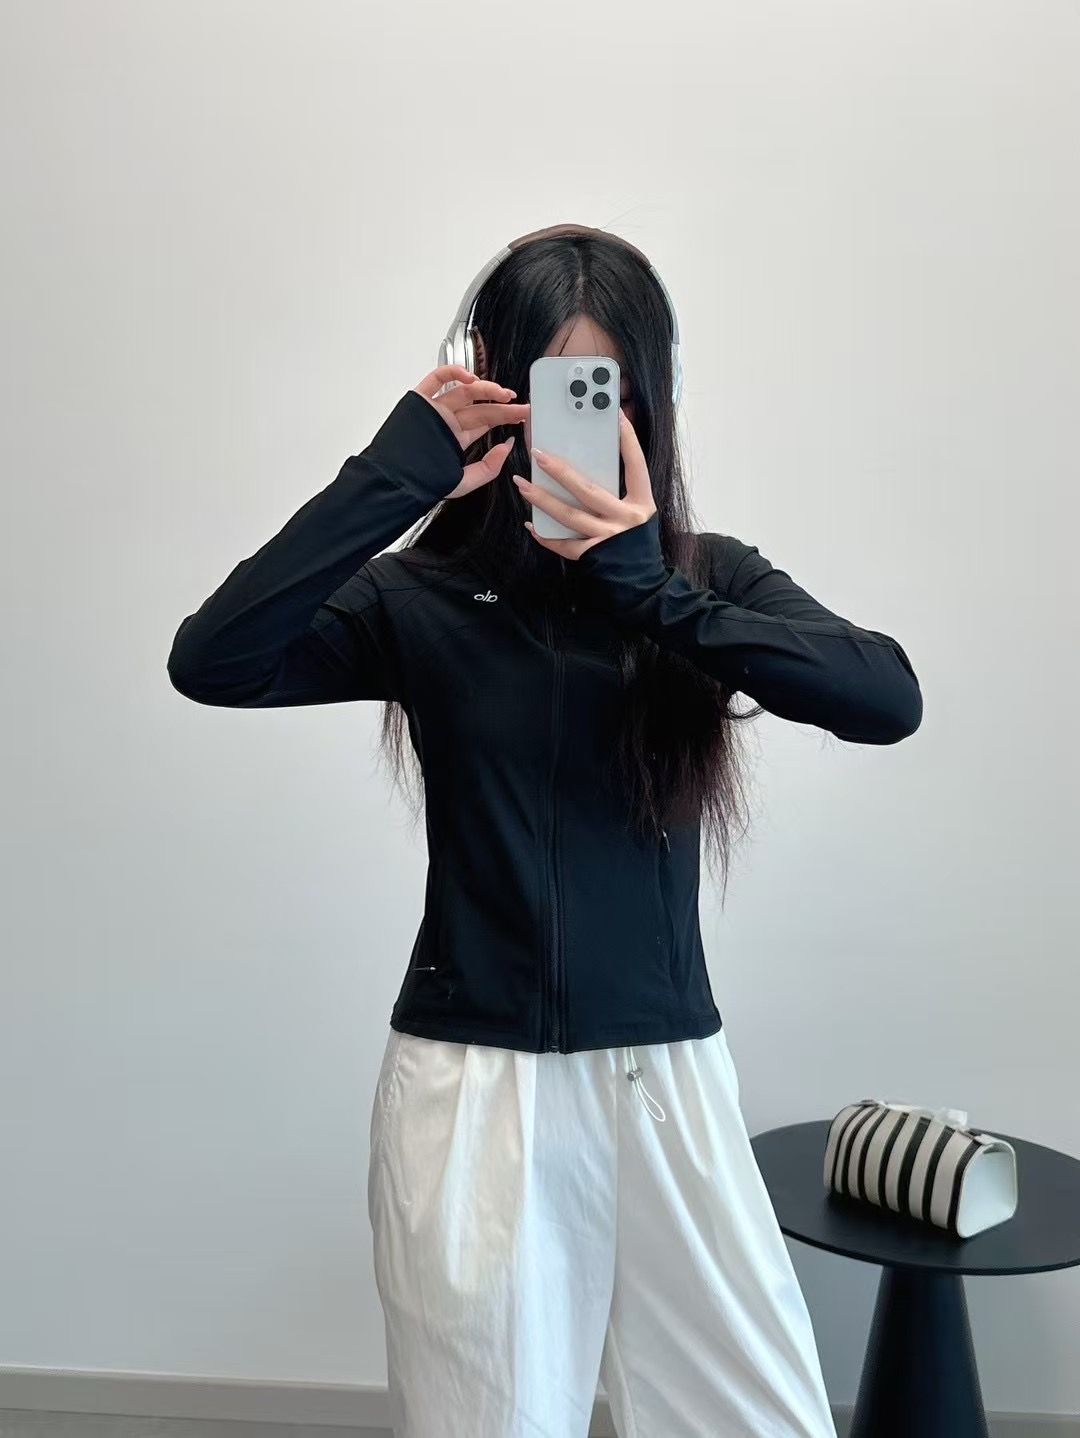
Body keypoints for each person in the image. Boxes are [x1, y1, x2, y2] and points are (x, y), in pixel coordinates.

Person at [167, 224, 922, 1438]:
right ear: (492, 388)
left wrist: (647, 589)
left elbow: (886, 697)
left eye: (601, 389)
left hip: (665, 1077)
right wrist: (396, 474)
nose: (572, 421)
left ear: (649, 401)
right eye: (545, 388)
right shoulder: (418, 597)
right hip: (472, 1091)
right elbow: (213, 659)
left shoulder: (703, 582)